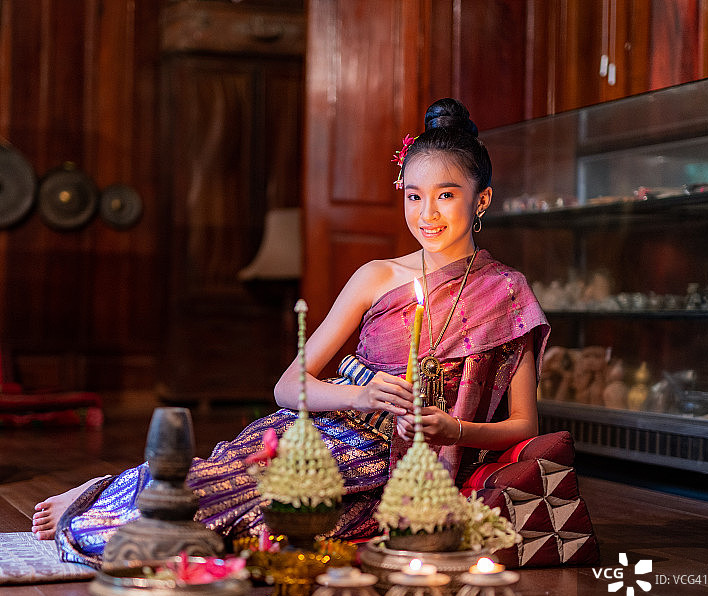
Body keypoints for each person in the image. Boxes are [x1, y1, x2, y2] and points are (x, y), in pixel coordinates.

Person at [32, 98, 550, 568]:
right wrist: (363, 394)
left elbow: (523, 423)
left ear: (481, 201)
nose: (427, 213)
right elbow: (287, 387)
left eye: (446, 195)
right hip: (324, 436)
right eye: (414, 196)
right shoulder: (377, 276)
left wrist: (452, 430)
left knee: (269, 539)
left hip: (407, 471)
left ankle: (124, 499)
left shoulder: (506, 294)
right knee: (195, 499)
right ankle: (98, 495)